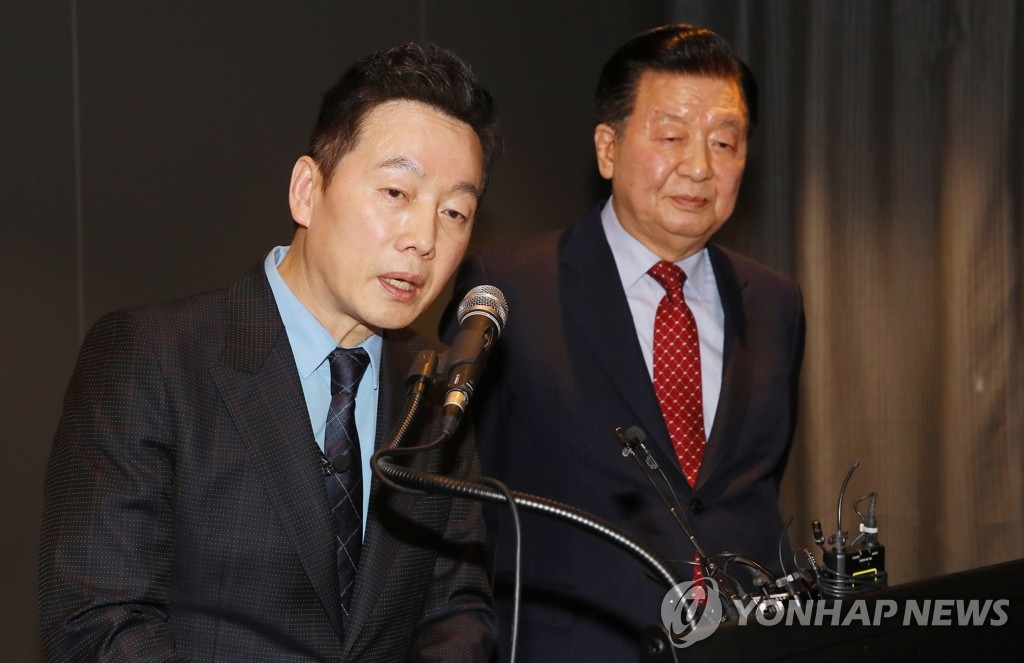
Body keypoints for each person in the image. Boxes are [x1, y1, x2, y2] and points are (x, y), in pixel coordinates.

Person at [39, 42, 502, 662]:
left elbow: (456, 610)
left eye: (455, 212)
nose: (424, 238)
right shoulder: (152, 358)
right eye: (396, 192)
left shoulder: (439, 384)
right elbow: (99, 620)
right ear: (307, 190)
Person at [442, 24, 804, 661]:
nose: (700, 166)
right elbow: (460, 506)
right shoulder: (508, 288)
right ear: (608, 149)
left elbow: (752, 493)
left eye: (725, 142)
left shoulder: (775, 302)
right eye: (671, 137)